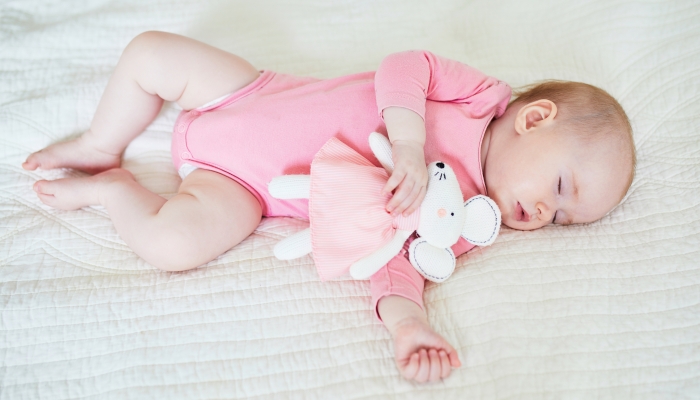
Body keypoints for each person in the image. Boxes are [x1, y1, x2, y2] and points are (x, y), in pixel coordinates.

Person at [22, 31, 636, 383]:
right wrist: (409, 145)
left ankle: (112, 190)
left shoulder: (465, 221)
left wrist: (407, 325)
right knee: (150, 53)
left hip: (243, 187)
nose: (542, 215)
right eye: (559, 190)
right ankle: (104, 144)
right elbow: (406, 66)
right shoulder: (482, 98)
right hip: (250, 93)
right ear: (536, 118)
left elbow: (397, 263)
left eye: (562, 219)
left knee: (173, 246)